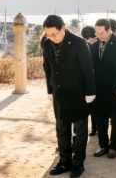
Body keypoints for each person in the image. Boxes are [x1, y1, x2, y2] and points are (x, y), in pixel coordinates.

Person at [41, 15, 96, 177]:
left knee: (79, 132)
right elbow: (47, 67)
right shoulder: (47, 43)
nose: (51, 38)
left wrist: (90, 92)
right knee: (61, 129)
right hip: (59, 94)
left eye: (54, 34)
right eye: (48, 35)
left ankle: (78, 164)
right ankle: (64, 162)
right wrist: (49, 90)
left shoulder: (79, 43)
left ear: (63, 28)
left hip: (78, 94)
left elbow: (88, 69)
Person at [90, 19, 116, 160]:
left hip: (115, 89)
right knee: (100, 119)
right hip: (98, 89)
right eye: (97, 32)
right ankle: (103, 145)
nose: (99, 35)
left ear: (109, 30)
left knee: (115, 120)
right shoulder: (93, 44)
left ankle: (113, 147)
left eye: (102, 33)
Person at [80, 26, 98, 137]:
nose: (89, 41)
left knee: (96, 106)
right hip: (88, 79)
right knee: (90, 106)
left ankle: (97, 128)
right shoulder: (83, 45)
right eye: (87, 39)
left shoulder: (99, 44)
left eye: (91, 38)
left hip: (98, 79)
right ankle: (94, 128)